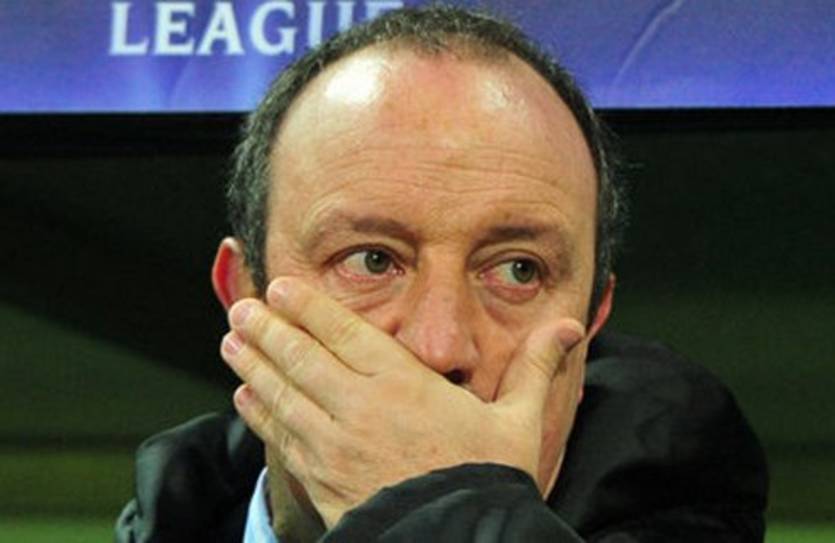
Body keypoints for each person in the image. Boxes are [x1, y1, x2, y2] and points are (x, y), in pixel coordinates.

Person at [116, 5, 768, 542]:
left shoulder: (680, 505)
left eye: (518, 270)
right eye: (371, 260)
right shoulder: (174, 516)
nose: (439, 348)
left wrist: (438, 511)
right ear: (245, 299)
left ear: (593, 318)